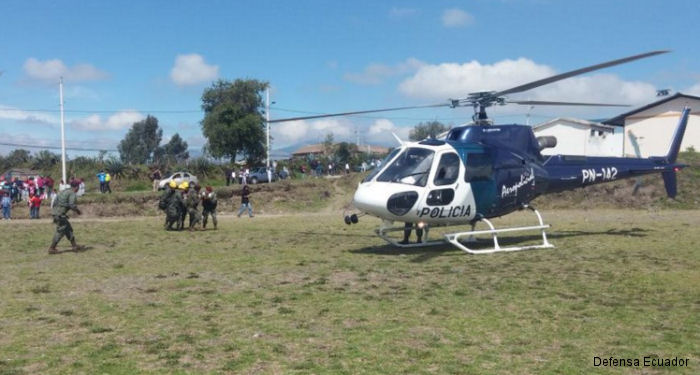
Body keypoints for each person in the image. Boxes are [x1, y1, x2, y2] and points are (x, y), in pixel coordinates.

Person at [48, 181, 84, 254]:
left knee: (68, 229)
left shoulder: (63, 191)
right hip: (60, 214)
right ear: (76, 187)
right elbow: (72, 205)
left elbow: (55, 201)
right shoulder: (72, 193)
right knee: (61, 231)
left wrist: (55, 211)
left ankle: (74, 246)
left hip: (56, 213)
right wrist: (78, 211)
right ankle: (52, 248)